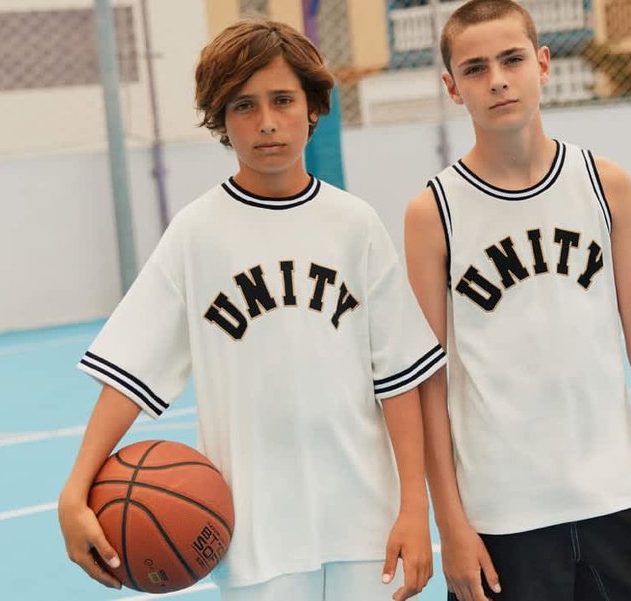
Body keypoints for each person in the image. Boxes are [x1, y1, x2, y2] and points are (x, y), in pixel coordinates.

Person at [57, 19, 441, 601]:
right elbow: (130, 374)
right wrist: (75, 488)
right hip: (257, 535)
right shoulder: (196, 233)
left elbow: (398, 378)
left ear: (313, 107)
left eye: (283, 100)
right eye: (243, 105)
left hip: (364, 522)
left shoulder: (355, 225)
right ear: (220, 118)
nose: (266, 121)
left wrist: (416, 506)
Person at [401, 2, 631, 600]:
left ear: (543, 64)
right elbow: (427, 381)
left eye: (511, 60)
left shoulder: (603, 183)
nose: (498, 80)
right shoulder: (435, 213)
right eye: (476, 69)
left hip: (620, 500)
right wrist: (450, 524)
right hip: (503, 519)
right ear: (452, 89)